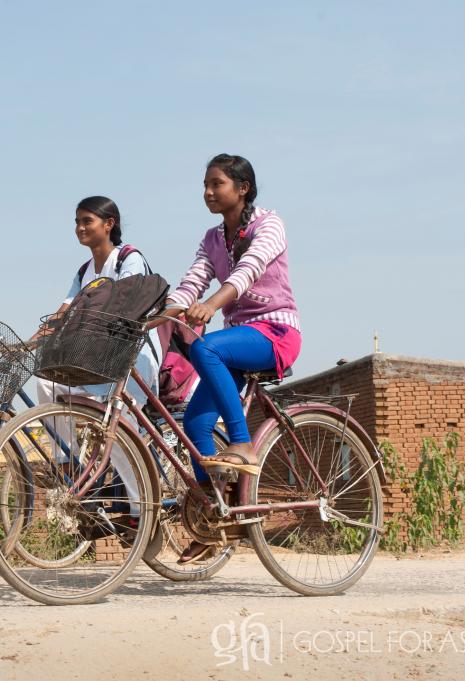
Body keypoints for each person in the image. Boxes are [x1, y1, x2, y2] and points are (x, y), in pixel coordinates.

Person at [166, 154, 302, 563]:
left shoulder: (269, 224)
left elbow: (245, 271)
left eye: (217, 184)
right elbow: (193, 280)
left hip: (275, 333)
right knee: (194, 422)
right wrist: (162, 311)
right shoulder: (212, 237)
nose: (208, 193)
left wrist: (212, 304)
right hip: (236, 342)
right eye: (205, 186)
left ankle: (243, 443)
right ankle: (217, 517)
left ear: (242, 188)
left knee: (205, 345)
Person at [35, 196, 162, 524]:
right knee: (47, 382)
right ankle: (69, 462)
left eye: (87, 221)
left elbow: (130, 307)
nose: (79, 228)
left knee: (118, 430)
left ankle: (142, 511)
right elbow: (64, 313)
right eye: (76, 222)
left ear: (109, 224)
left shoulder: (128, 260)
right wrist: (33, 340)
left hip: (134, 356)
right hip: (100, 358)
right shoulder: (84, 271)